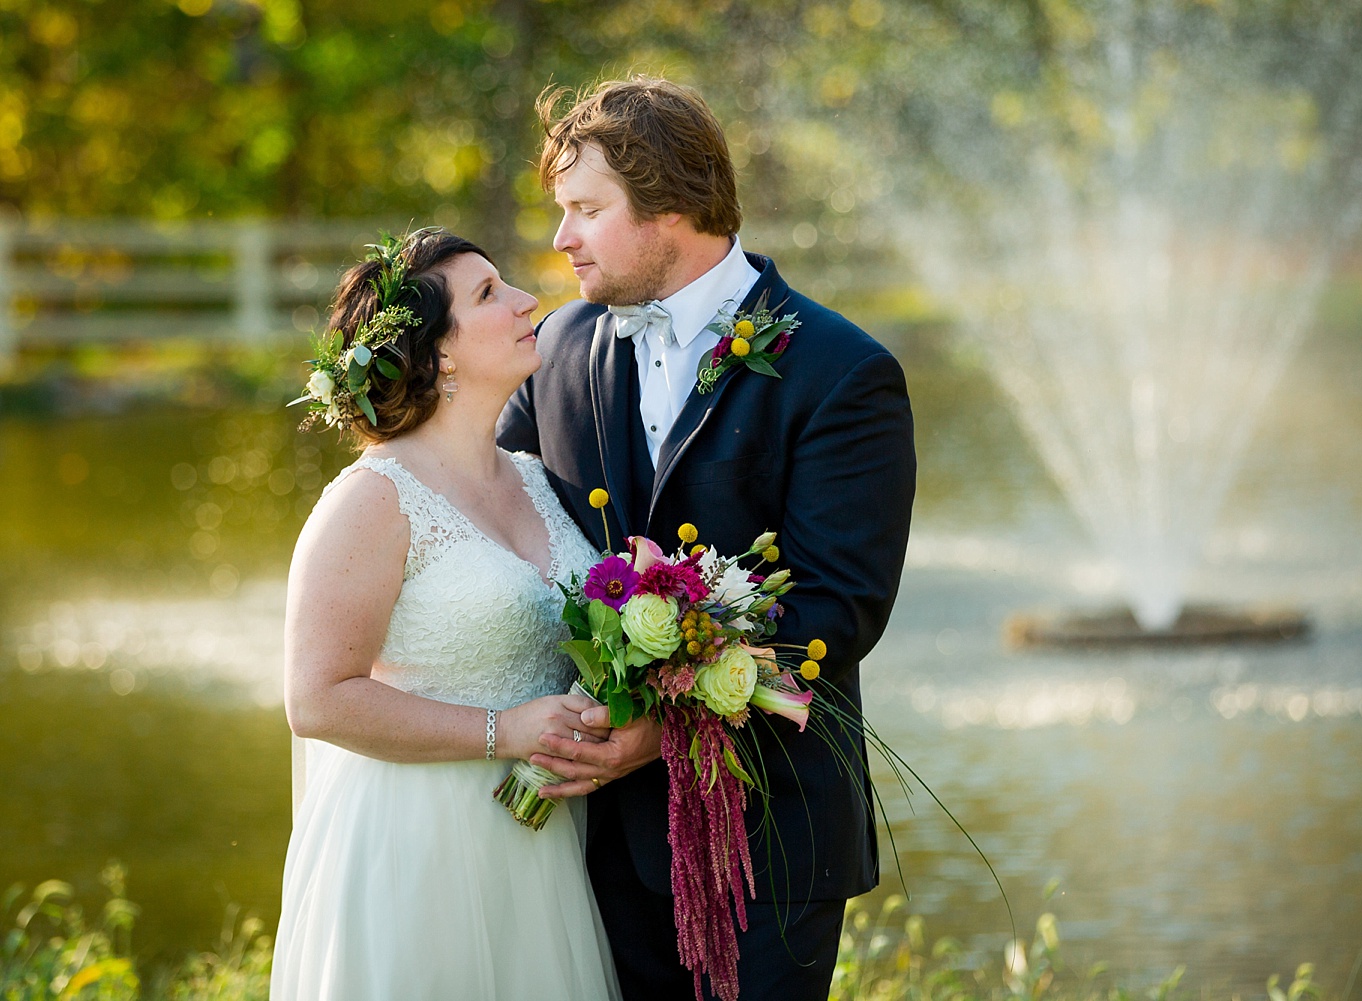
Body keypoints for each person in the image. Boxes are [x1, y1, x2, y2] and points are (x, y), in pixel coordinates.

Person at [497, 77, 918, 1000]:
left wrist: (661, 727)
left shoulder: (842, 372)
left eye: (586, 209)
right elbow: (491, 523)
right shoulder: (558, 350)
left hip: (769, 836)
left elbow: (834, 611)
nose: (562, 237)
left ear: (673, 205)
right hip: (590, 845)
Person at [270, 228, 620, 1001]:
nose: (529, 299)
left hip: (536, 842)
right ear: (439, 355)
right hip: (414, 843)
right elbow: (317, 697)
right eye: (490, 293)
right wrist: (505, 730)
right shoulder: (372, 499)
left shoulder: (535, 477)